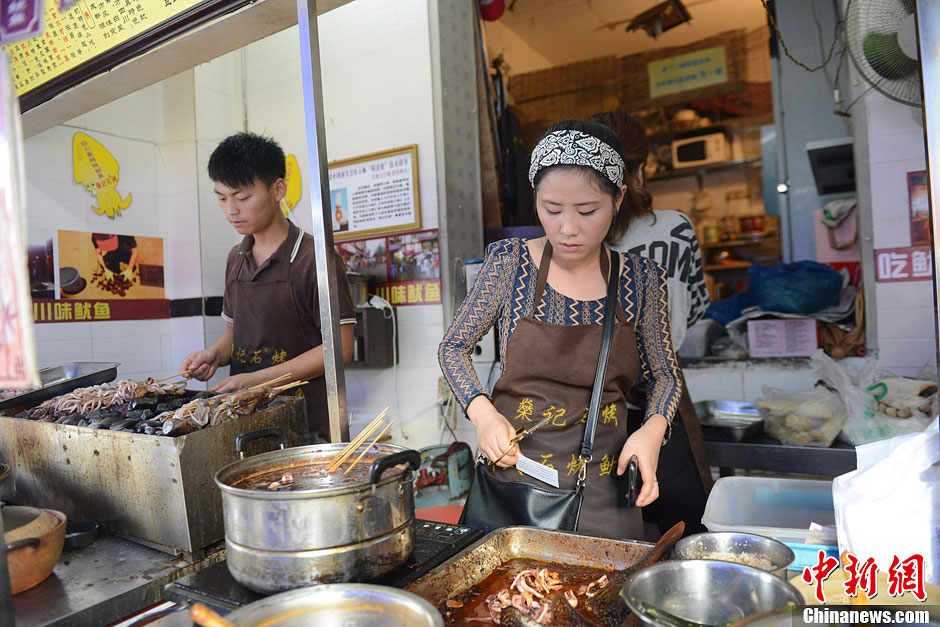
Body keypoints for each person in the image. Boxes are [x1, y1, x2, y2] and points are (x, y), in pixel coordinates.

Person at [439, 119, 682, 539]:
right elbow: (453, 346)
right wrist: (483, 415)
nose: (567, 229)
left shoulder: (641, 280)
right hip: (516, 488)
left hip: (606, 490)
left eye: (587, 211)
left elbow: (666, 375)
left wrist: (652, 431)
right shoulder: (508, 262)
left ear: (619, 198)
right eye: (551, 210)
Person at [181, 132, 356, 442]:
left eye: (242, 197)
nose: (230, 210)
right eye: (221, 198)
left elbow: (340, 347)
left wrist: (258, 380)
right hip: (245, 422)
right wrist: (213, 354)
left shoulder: (314, 259)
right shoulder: (236, 258)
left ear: (278, 189)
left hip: (308, 426)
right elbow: (236, 332)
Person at [590, 110, 712, 536]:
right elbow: (696, 307)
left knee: (606, 542)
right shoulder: (676, 228)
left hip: (596, 406)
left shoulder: (582, 238)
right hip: (667, 402)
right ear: (640, 169)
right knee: (683, 531)